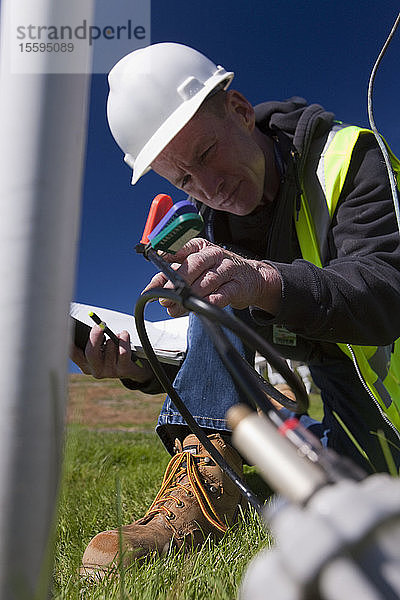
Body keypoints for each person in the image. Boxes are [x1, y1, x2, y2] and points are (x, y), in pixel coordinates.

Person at [72, 42, 400, 575]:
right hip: (343, 409)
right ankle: (209, 473)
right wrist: (138, 368)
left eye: (203, 155)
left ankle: (233, 472)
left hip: (392, 418)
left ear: (241, 111)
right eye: (182, 180)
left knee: (223, 284)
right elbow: (244, 355)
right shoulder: (212, 231)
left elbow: (389, 289)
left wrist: (265, 282)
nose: (208, 187)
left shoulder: (351, 158)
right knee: (208, 290)